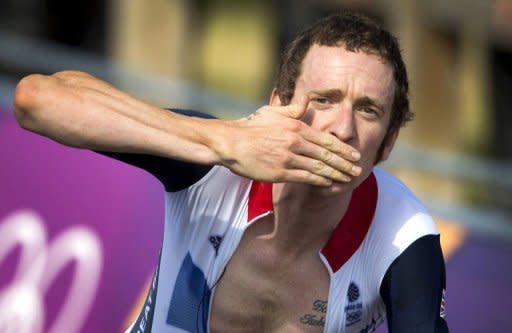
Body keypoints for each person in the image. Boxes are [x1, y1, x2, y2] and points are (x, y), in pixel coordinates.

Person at [13, 12, 448, 333]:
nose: (343, 129)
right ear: (278, 105)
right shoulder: (215, 156)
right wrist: (223, 141)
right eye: (324, 99)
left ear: (388, 143)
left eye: (367, 110)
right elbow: (37, 100)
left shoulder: (403, 235)